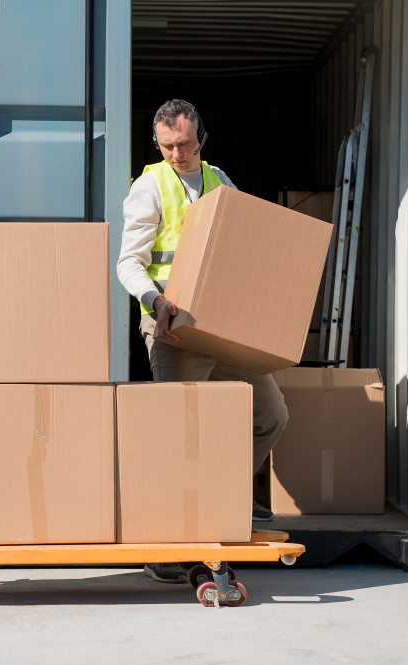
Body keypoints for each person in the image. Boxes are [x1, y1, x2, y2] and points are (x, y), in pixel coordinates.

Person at [116, 99, 289, 584]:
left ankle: (228, 498)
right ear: (158, 143)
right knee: (179, 438)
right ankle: (164, 545)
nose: (177, 154)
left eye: (185, 144)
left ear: (202, 138)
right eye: (167, 145)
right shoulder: (149, 187)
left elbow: (242, 240)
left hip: (222, 327)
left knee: (271, 414)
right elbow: (129, 262)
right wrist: (155, 300)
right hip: (172, 329)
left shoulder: (219, 180)